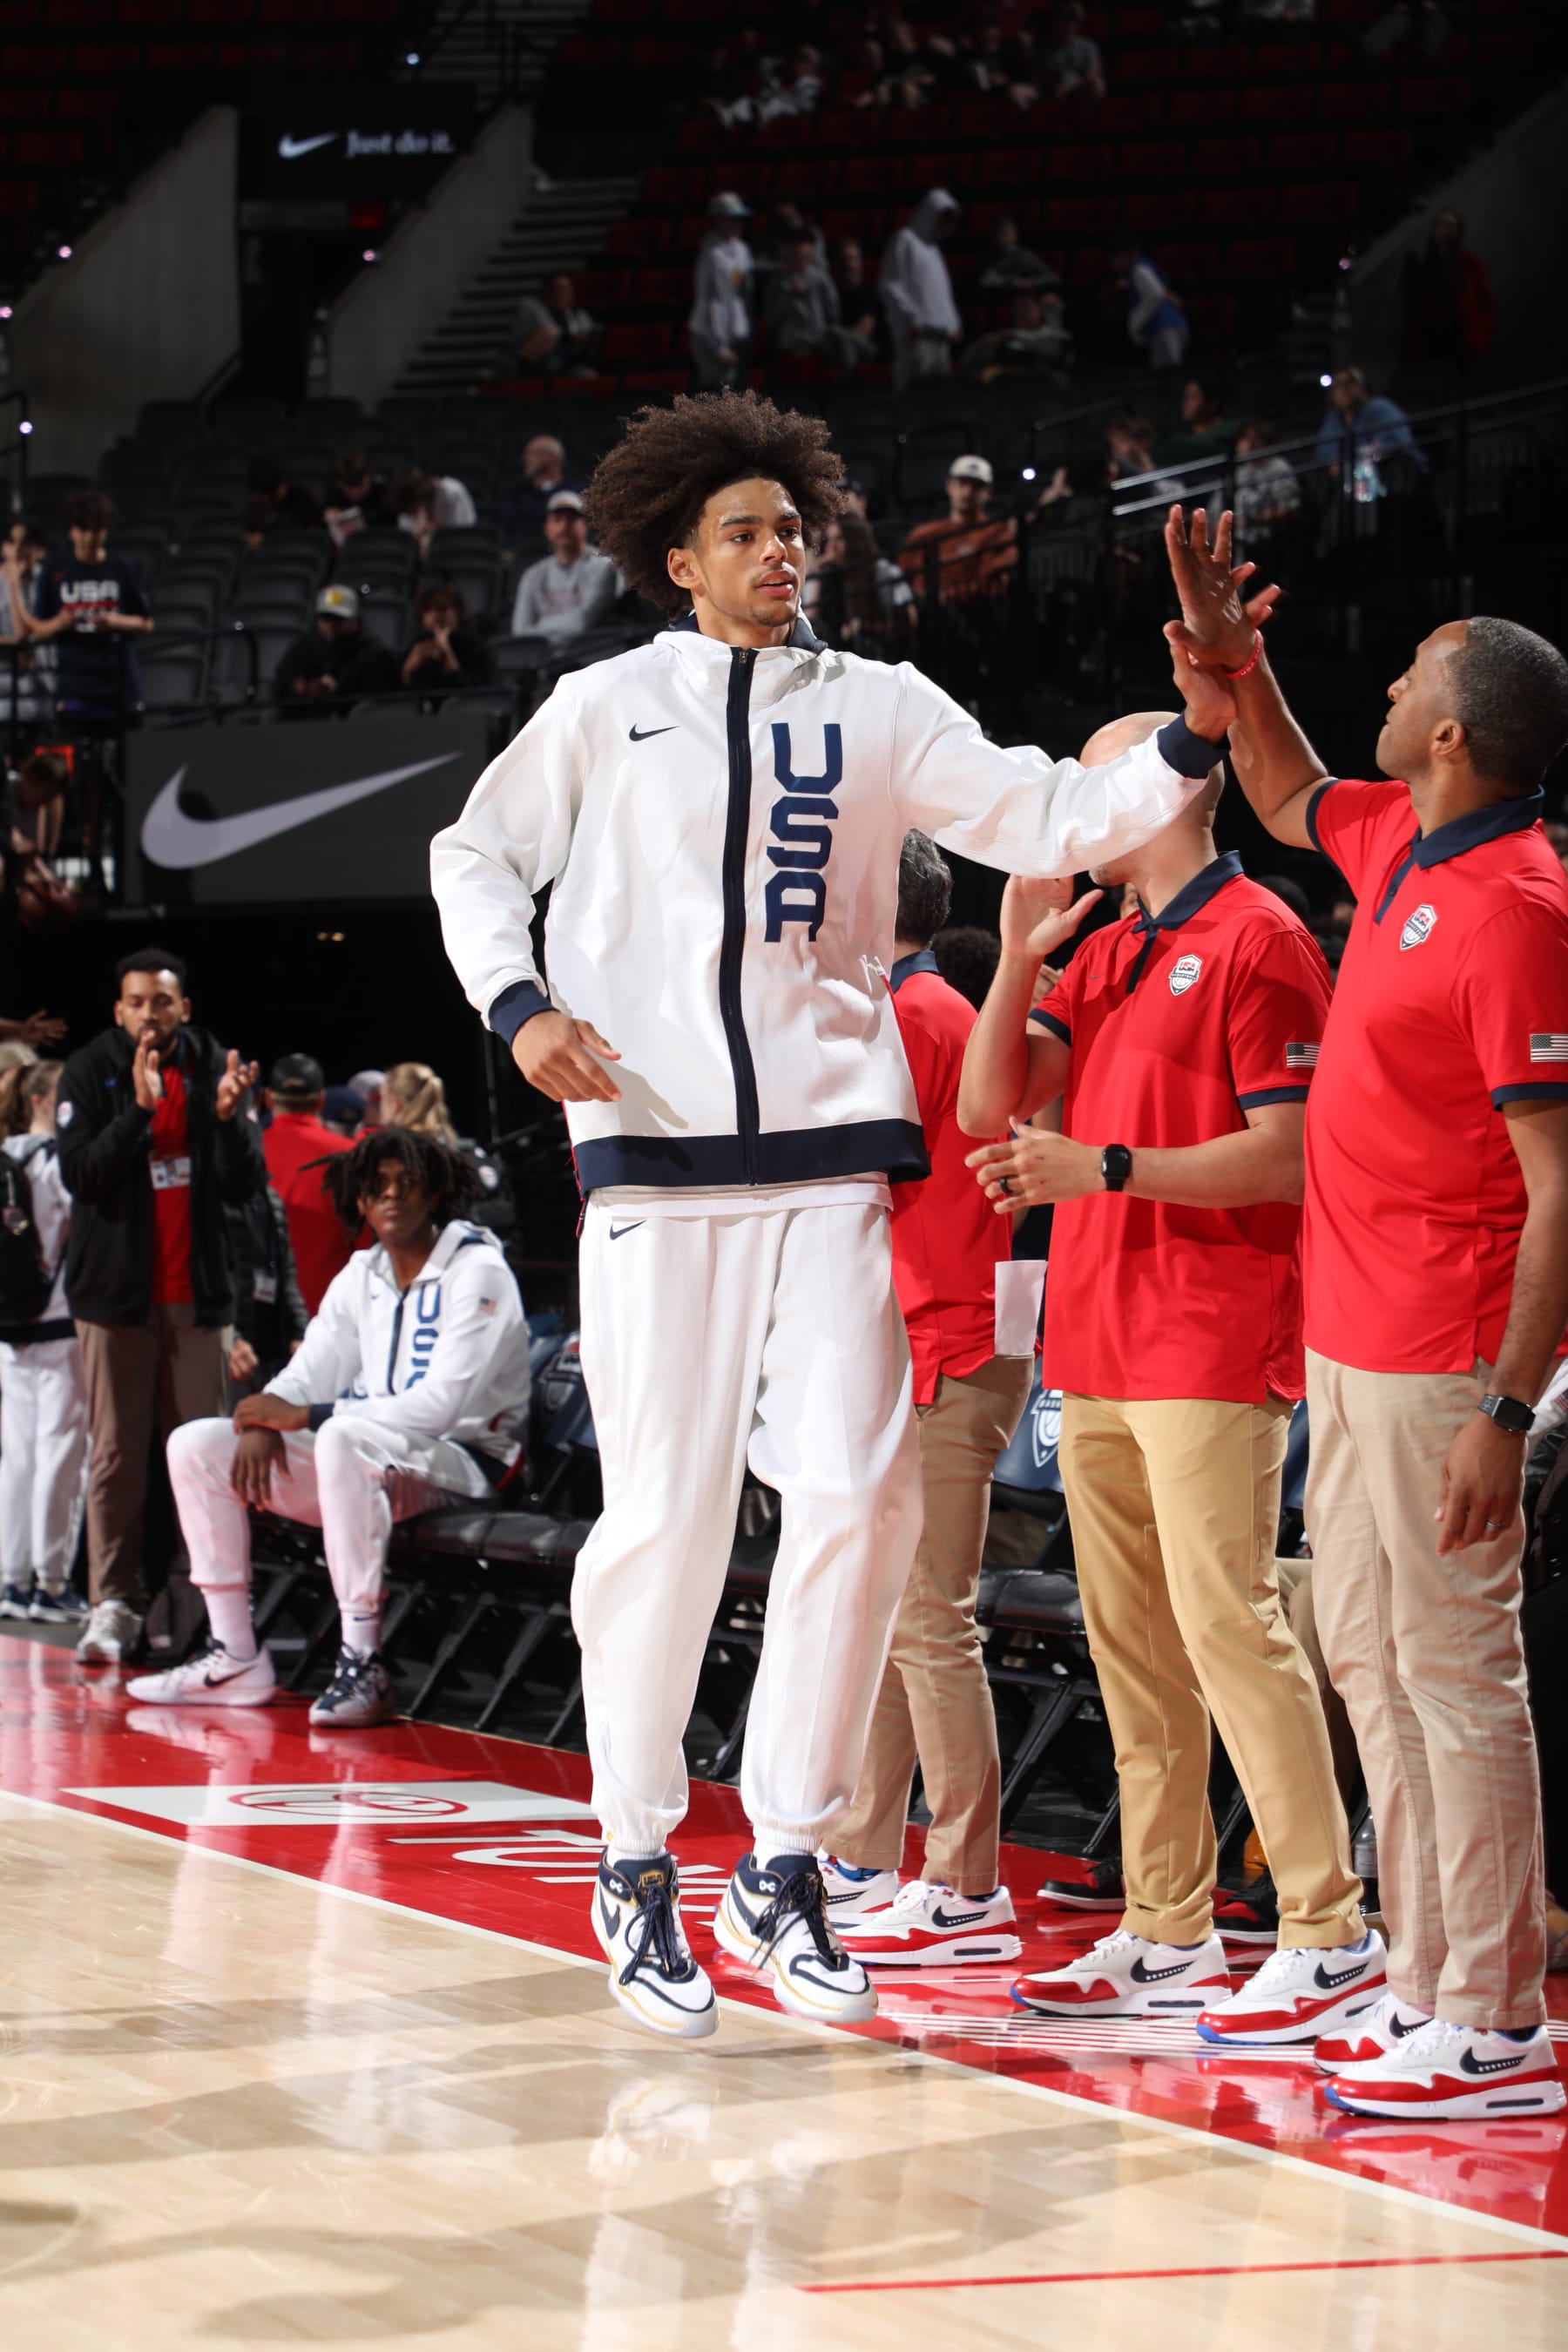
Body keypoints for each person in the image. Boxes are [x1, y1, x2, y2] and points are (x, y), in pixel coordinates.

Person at [429, 385, 1238, 2042]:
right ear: (679, 560)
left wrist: (1196, 727)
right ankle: (635, 1856)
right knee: (666, 1518)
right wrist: (519, 1009)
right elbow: (472, 856)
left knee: (863, 1502)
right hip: (655, 1162)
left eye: (792, 529)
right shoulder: (605, 706)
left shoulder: (879, 704)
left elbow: (1048, 810)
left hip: (831, 1161)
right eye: (744, 532)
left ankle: (786, 1859)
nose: (779, 552)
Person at [1167, 503, 1568, 2119]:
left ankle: (1500, 2021)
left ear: (1456, 732)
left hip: (1444, 1357)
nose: (1388, 688)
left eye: (1410, 675)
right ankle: (1423, 1977)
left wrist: (1509, 1408)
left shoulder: (1522, 908)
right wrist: (1234, 662)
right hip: (1348, 1336)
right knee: (1367, 1656)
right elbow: (1280, 788)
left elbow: (1563, 1186)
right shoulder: (1405, 837)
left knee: (1457, 1674)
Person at [962, 694, 1377, 2038]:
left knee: (1229, 1629)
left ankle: (1326, 1929)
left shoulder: (1262, 936)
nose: (1078, 813)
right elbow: (985, 1107)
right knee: (1133, 1647)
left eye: (1101, 784)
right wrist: (1014, 957)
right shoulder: (1102, 949)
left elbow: (1292, 1153)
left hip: (1210, 1335)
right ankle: (1166, 1926)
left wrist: (1105, 1167)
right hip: (1094, 1339)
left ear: (1174, 791)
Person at [822, 833, 1035, 1966]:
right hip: (937, 1336)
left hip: (946, 1342)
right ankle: (866, 1852)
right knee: (900, 1612)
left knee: (930, 1618)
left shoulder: (912, 1017)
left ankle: (964, 1885)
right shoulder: (929, 1009)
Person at [128, 1131, 530, 1727]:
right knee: (196, 1445)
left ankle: (364, 1661)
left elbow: (441, 1407)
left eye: (408, 1183)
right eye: (377, 1186)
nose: (391, 1195)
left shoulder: (479, 1270)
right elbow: (310, 1372)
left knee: (341, 1437)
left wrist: (308, 1417)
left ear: (435, 1193)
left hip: (465, 1463)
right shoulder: (362, 1273)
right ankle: (234, 1654)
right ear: (359, 1201)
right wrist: (265, 1414)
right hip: (373, 1459)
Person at [56, 947, 263, 1666]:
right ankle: (113, 1602)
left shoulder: (212, 1066)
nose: (151, 1013)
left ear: (184, 1008)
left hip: (196, 1299)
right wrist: (140, 1113)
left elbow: (243, 1186)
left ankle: (199, 1602)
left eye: (163, 1001)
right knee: (117, 1456)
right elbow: (82, 1175)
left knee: (201, 1457)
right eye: (138, 1002)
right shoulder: (90, 1070)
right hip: (115, 1300)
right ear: (120, 1010)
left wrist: (230, 1121)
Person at [0, 1059, 90, 1625]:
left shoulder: (5, 1154)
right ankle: (50, 1583)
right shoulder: (57, 1160)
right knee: (60, 1453)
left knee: (18, 1457)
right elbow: (85, 1230)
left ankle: (11, 1579)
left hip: (9, 1328)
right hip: (58, 1321)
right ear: (39, 1100)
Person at [30, 491, 153, 720]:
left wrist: (117, 621)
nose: (89, 537)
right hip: (73, 684)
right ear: (71, 530)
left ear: (106, 530)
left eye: (96, 530)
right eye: (83, 529)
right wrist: (59, 622)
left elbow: (146, 623)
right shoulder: (55, 571)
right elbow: (37, 628)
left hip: (118, 682)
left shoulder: (122, 568)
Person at [260, 1052, 355, 1315]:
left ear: (268, 1098)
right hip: (333, 1312)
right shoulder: (351, 1156)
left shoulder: (245, 1154)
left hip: (262, 1314)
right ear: (321, 1100)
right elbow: (366, 1244)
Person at [223, 1181, 308, 1399]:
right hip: (232, 1348)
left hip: (272, 1348)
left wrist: (300, 1332)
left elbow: (286, 1271)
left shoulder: (270, 1197)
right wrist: (230, 1338)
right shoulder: (213, 1197)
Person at [897, 455, 1017, 604]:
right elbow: (900, 578)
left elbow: (992, 584)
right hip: (919, 609)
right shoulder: (922, 533)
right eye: (962, 483)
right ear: (949, 486)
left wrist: (945, 598)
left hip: (968, 612)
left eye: (976, 486)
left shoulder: (997, 534)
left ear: (989, 491)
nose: (967, 492)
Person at [880, 189, 963, 392]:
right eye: (943, 220)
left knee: (937, 396)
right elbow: (891, 285)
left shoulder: (934, 250)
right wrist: (912, 319)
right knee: (914, 394)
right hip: (916, 337)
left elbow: (943, 294)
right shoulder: (905, 240)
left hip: (941, 338)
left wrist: (953, 322)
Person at [510, 492, 618, 645]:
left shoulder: (603, 566)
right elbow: (520, 632)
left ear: (585, 525)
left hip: (591, 652)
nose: (564, 526)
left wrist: (539, 627)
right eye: (557, 519)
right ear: (547, 528)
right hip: (541, 656)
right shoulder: (532, 575)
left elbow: (580, 623)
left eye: (572, 519)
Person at [762, 229, 873, 377]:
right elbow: (771, 319)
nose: (800, 257)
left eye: (804, 254)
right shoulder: (777, 282)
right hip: (787, 346)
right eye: (796, 252)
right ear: (788, 250)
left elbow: (832, 313)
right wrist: (789, 297)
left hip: (817, 346)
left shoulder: (822, 281)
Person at [274, 585, 399, 713]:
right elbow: (279, 689)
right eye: (325, 618)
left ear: (355, 621)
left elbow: (376, 701)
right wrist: (302, 690)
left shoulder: (374, 653)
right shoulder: (304, 646)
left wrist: (337, 692)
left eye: (338, 619)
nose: (331, 625)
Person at [802, 512, 915, 646]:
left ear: (854, 539)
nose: (832, 547)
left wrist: (863, 626)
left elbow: (909, 619)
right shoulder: (833, 576)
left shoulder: (883, 571)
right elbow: (810, 616)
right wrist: (818, 569)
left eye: (839, 539)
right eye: (829, 540)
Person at [1402, 208, 1495, 369]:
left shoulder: (1472, 265)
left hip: (1468, 340)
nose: (1445, 230)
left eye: (1450, 225)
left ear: (1457, 231)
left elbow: (1486, 302)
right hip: (1438, 344)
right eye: (1440, 225)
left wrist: (1483, 334)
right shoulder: (1426, 269)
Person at [1314, 368, 1425, 488]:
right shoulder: (1333, 418)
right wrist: (1336, 462)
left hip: (1393, 478)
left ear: (1361, 386)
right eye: (1338, 385)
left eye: (1349, 383)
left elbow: (1399, 442)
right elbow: (1323, 450)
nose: (1344, 390)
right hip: (1353, 483)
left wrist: (1360, 458)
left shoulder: (1380, 407)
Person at [689, 191, 754, 391]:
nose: (738, 223)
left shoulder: (741, 249)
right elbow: (708, 300)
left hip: (735, 333)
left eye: (740, 219)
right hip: (710, 335)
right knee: (714, 391)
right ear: (718, 220)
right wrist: (719, 346)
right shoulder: (711, 254)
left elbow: (741, 292)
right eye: (732, 218)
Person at [961, 286, 1073, 384]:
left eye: (1026, 306)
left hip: (1048, 392)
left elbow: (1054, 353)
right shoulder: (1003, 337)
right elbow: (968, 360)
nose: (1021, 312)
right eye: (1016, 307)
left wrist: (1015, 337)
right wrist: (986, 343)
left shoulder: (1057, 336)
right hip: (1009, 393)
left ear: (1039, 309)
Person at [507, 270, 602, 379]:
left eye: (564, 289)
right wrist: (568, 338)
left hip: (566, 365)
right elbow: (543, 335)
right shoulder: (531, 308)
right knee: (550, 332)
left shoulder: (580, 315)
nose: (559, 294)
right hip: (534, 366)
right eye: (555, 289)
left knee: (589, 375)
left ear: (572, 293)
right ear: (546, 291)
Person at [402, 584, 494, 695]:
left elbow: (479, 698)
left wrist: (449, 660)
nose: (436, 615)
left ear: (458, 614)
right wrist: (407, 671)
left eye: (442, 608)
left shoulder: (477, 652)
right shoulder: (412, 650)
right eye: (428, 610)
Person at [502, 436, 578, 563]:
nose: (525, 459)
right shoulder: (517, 495)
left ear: (552, 458)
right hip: (526, 558)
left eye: (532, 454)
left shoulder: (575, 492)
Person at [1112, 244, 1187, 371]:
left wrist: (1134, 324)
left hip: (1166, 329)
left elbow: (1156, 295)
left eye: (1116, 259)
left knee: (1168, 375)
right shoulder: (1141, 268)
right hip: (1168, 328)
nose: (1114, 264)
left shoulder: (1139, 269)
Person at [1233, 420, 1302, 544]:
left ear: (1266, 442)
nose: (1249, 444)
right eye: (1244, 438)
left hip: (1272, 540)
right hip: (1239, 542)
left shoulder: (1278, 467)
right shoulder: (1235, 475)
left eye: (1255, 438)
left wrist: (1253, 521)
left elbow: (1288, 509)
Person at [391, 468, 477, 560]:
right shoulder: (411, 503)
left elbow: (461, 534)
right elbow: (408, 535)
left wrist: (433, 533)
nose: (413, 512)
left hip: (456, 556)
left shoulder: (452, 491)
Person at [1159, 377, 1239, 473]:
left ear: (1213, 403)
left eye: (1193, 397)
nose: (1186, 403)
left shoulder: (1231, 430)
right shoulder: (1180, 432)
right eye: (1185, 397)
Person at [977, 217, 1060, 297]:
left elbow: (1052, 277)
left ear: (1015, 235)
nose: (999, 237)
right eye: (996, 233)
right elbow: (984, 282)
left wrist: (1028, 282)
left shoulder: (1025, 256)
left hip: (1023, 297)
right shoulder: (987, 258)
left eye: (1004, 233)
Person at [1037, 1, 1106, 98]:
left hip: (1076, 90)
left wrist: (1067, 88)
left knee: (1097, 84)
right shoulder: (1044, 47)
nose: (1068, 24)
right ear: (1054, 21)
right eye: (1064, 19)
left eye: (1072, 20)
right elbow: (1041, 77)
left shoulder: (1088, 46)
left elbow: (1091, 76)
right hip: (1049, 91)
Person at [322, 449, 393, 544]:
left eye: (359, 485)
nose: (355, 492)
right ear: (339, 483)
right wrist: (330, 523)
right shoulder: (333, 495)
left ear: (368, 476)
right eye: (349, 486)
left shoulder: (385, 492)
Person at [246, 453, 324, 535]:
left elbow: (313, 533)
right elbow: (252, 535)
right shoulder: (256, 506)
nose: (266, 499)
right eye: (262, 495)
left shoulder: (302, 498)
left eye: (270, 494)